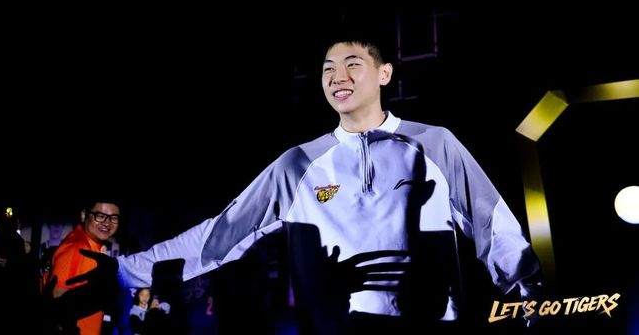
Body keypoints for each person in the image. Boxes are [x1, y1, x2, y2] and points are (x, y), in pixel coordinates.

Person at [76, 40, 542, 333]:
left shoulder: (434, 144)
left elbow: (494, 225)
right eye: (328, 68)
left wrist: (530, 293)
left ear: (384, 73)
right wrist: (126, 272)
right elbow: (220, 235)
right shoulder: (298, 164)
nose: (338, 76)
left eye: (353, 63)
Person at [47, 199, 121, 334]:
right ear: (84, 215)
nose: (107, 223)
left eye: (114, 218)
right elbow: (56, 300)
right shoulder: (77, 248)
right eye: (100, 216)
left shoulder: (91, 245)